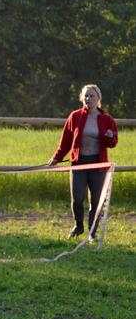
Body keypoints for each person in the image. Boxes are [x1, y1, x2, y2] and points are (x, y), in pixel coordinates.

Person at [47, 84, 117, 240]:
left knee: (96, 201)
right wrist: (56, 158)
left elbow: (112, 143)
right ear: (81, 98)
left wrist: (110, 136)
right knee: (77, 198)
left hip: (98, 164)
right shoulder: (75, 116)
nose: (88, 99)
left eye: (92, 96)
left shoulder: (107, 119)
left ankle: (92, 233)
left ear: (98, 98)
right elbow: (65, 141)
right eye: (86, 96)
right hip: (79, 163)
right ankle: (78, 226)